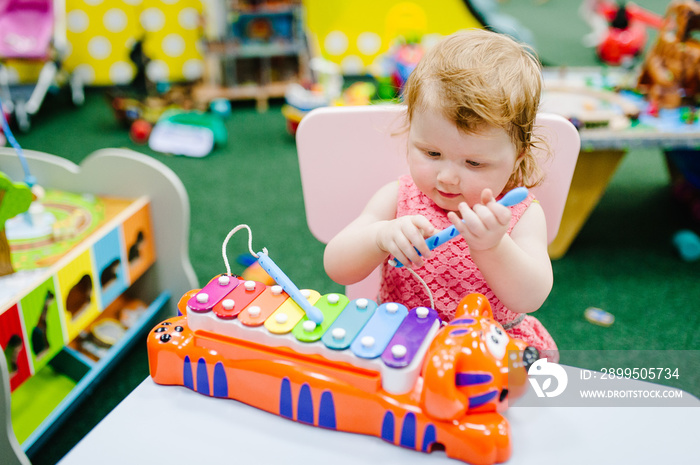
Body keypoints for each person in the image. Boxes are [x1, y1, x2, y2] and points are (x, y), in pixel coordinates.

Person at [323, 29, 558, 359]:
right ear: (410, 134)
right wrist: (379, 236)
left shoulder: (520, 215)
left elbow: (530, 296)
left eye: (474, 162)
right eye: (431, 154)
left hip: (486, 353)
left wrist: (492, 246)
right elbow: (337, 267)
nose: (447, 178)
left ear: (517, 158)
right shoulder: (397, 197)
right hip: (401, 342)